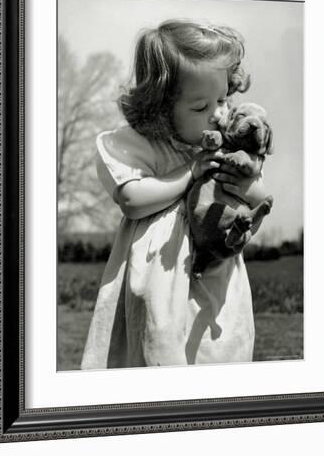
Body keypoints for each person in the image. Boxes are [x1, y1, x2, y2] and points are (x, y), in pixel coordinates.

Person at [81, 20, 268, 369]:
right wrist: (190, 171)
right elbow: (132, 200)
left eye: (223, 99)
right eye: (200, 107)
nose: (217, 114)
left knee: (216, 352)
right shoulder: (145, 146)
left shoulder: (227, 145)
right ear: (160, 107)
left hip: (215, 277)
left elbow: (260, 197)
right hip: (159, 280)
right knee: (157, 347)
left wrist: (242, 183)